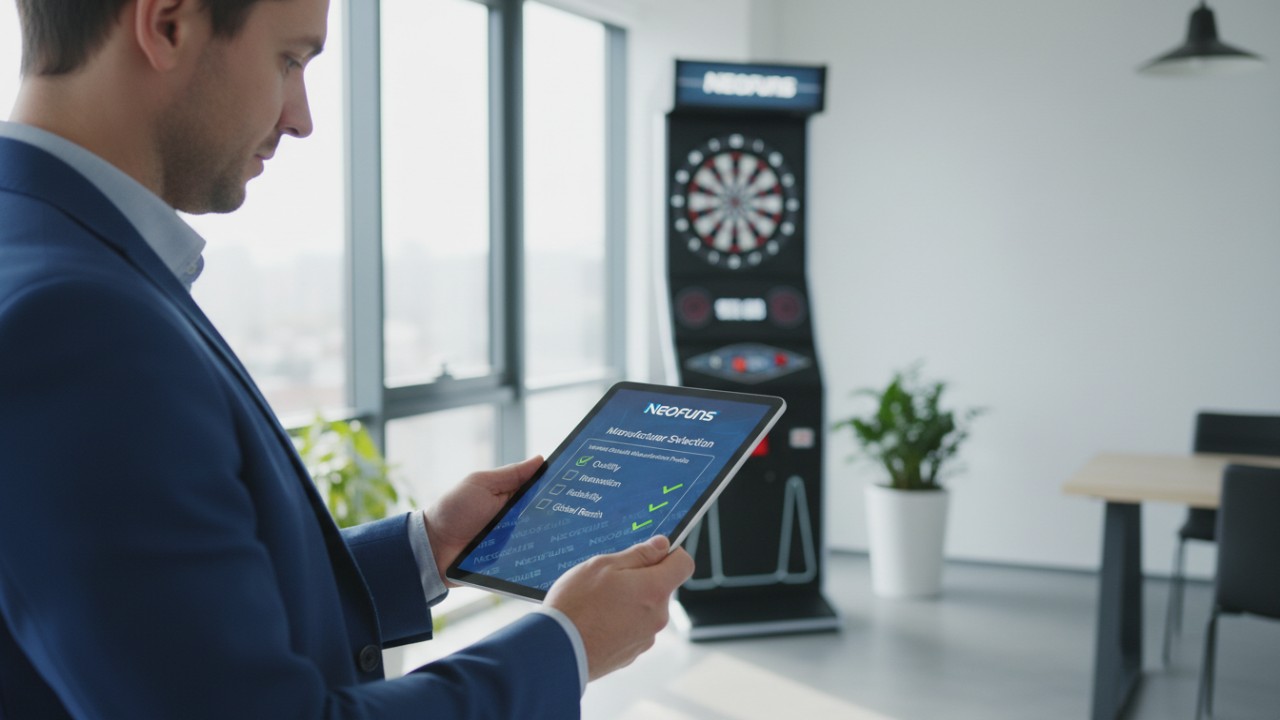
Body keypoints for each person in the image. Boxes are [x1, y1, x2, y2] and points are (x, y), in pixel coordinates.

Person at [0, 0, 694, 717]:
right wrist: (567, 643)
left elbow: (165, 626)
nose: (301, 118)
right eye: (291, 60)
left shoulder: (46, 254)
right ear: (168, 24)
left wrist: (426, 547)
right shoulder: (75, 321)